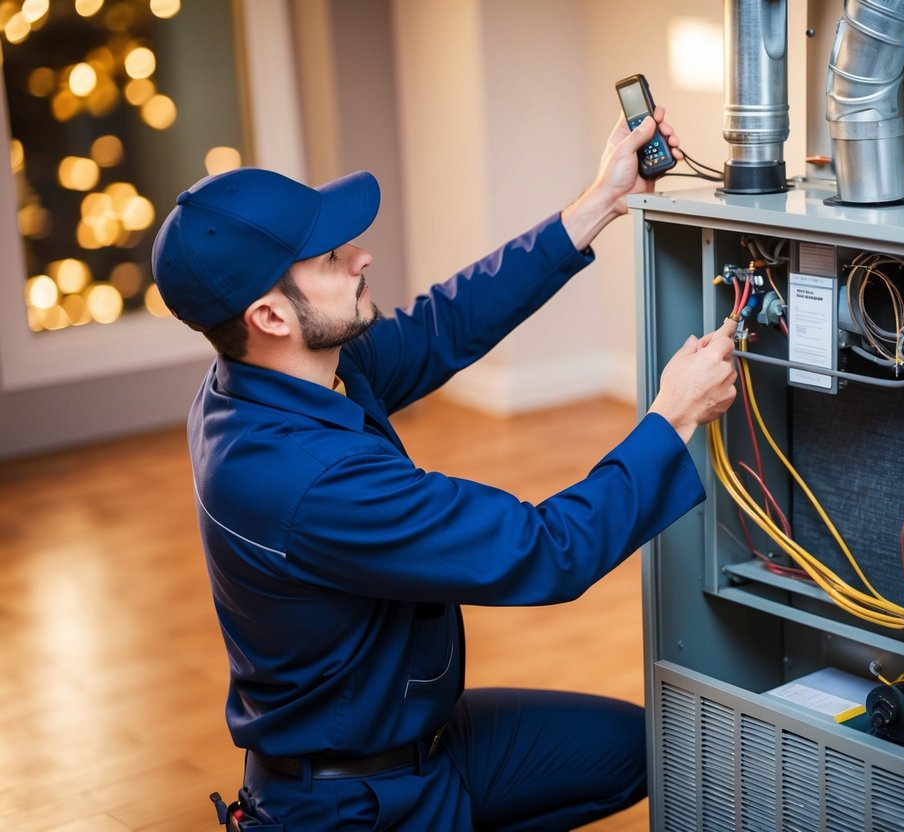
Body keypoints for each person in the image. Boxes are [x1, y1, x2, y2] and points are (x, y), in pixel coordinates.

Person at [151, 108, 737, 831]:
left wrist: (598, 203)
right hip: (356, 803)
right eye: (332, 258)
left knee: (640, 749)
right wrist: (673, 419)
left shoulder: (271, 377)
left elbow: (439, 326)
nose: (360, 256)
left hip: (418, 739)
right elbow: (544, 552)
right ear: (270, 316)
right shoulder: (306, 479)